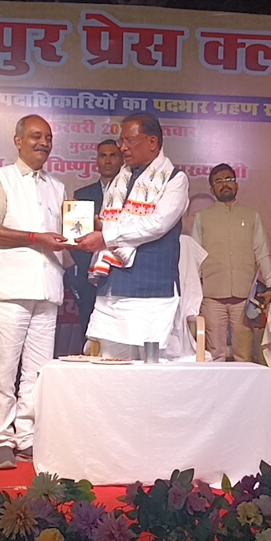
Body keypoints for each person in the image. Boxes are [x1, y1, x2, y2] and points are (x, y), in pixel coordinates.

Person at [0, 115, 69, 470]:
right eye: (35, 136)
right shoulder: (0, 178)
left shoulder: (57, 187)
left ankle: (28, 436)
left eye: (48, 137)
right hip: (10, 289)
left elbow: (62, 236)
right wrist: (34, 238)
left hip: (47, 287)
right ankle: (1, 437)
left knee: (37, 371)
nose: (43, 143)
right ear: (17, 140)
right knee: (5, 369)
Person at [75, 113, 189, 359]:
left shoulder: (175, 179)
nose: (122, 148)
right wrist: (97, 226)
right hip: (113, 286)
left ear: (152, 142)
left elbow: (156, 223)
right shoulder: (120, 179)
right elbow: (115, 222)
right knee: (109, 365)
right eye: (121, 141)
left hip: (151, 288)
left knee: (152, 370)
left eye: (129, 141)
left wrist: (106, 236)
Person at [191, 163, 271, 362]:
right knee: (215, 356)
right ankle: (215, 394)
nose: (225, 185)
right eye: (219, 182)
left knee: (243, 355)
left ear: (236, 185)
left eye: (229, 180)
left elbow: (262, 252)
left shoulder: (251, 216)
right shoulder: (202, 218)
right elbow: (195, 257)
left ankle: (242, 394)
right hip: (212, 297)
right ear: (212, 189)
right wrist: (193, 292)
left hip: (244, 298)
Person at [67, 139, 122, 336]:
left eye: (113, 155)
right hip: (88, 275)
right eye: (103, 156)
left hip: (121, 272)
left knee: (118, 331)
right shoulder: (81, 195)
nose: (108, 161)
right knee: (88, 330)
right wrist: (86, 267)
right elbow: (75, 239)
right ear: (97, 161)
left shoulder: (132, 195)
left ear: (122, 159)